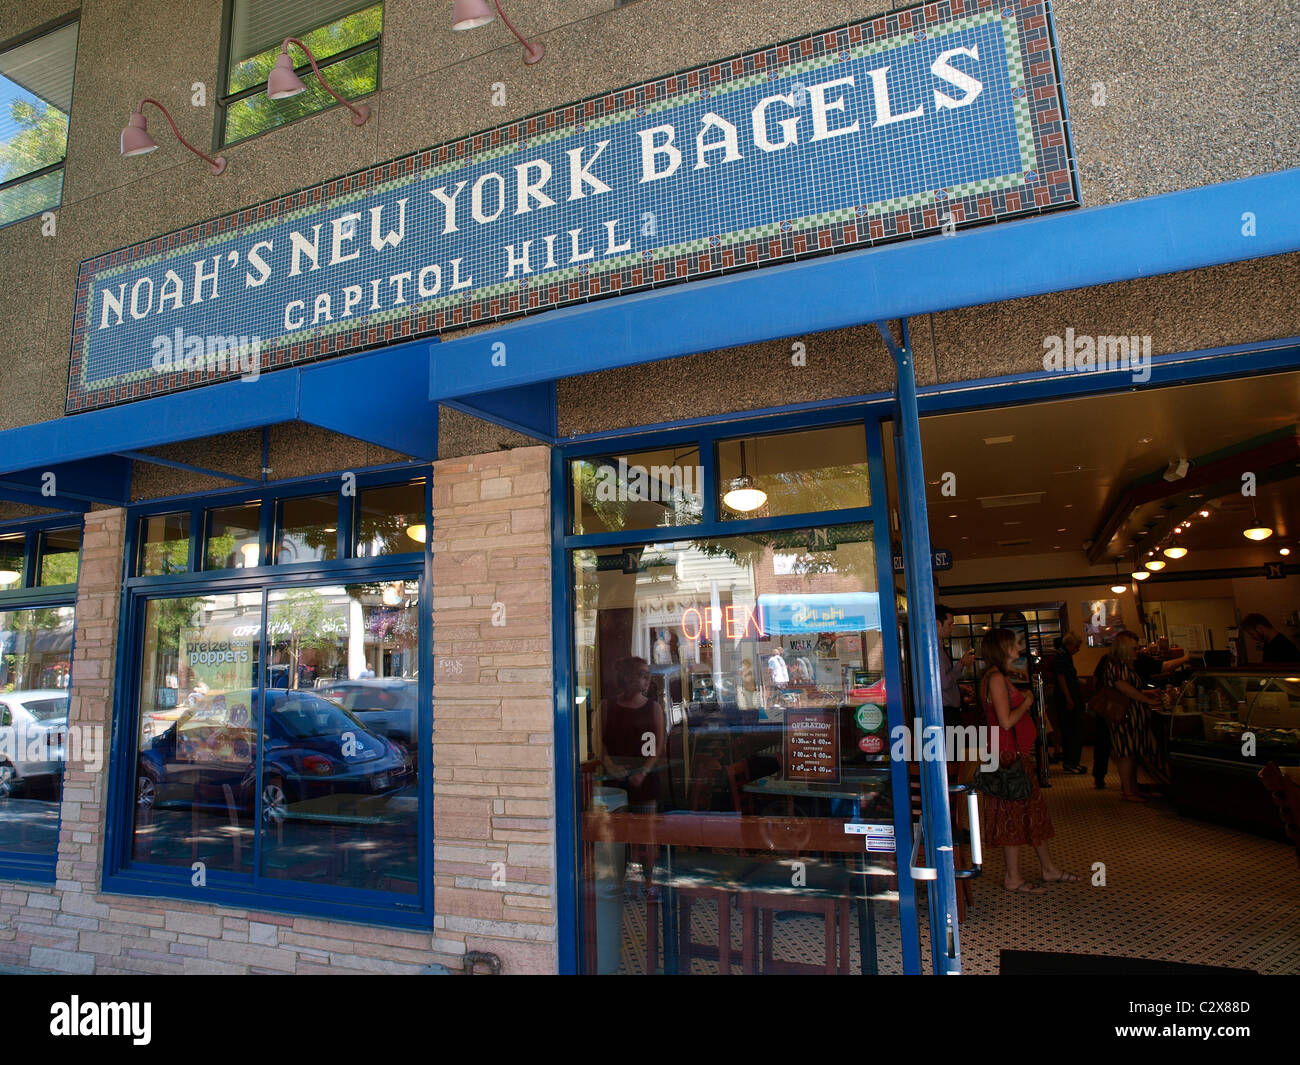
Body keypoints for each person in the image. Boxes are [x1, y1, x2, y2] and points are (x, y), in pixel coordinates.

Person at [979, 628, 1077, 892]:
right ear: (1002, 649)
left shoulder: (998, 676)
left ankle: (1048, 868)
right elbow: (1006, 720)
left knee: (1032, 812)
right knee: (1013, 815)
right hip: (1007, 756)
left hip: (1013, 753)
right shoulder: (996, 678)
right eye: (1013, 645)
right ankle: (1014, 876)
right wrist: (1028, 702)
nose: (1018, 648)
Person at [1092, 630, 1162, 803]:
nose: (1136, 651)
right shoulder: (1116, 664)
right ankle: (1129, 792)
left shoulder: (1121, 664)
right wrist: (1147, 699)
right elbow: (1123, 688)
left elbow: (1126, 689)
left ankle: (1133, 789)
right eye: (1133, 648)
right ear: (1124, 648)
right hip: (1125, 717)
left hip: (1130, 715)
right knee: (1126, 753)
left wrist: (1147, 693)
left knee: (1131, 753)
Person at [598, 656, 667, 809]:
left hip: (645, 783)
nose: (647, 679)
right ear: (627, 677)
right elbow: (598, 743)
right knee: (616, 829)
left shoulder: (654, 708)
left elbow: (659, 745)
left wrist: (643, 772)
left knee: (645, 829)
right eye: (642, 675)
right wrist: (611, 767)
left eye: (649, 675)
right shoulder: (606, 707)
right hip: (614, 784)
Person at [1050, 632, 1086, 774]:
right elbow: (1061, 677)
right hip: (1067, 698)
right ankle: (1071, 762)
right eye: (1076, 647)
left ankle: (1071, 762)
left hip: (1067, 697)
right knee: (1072, 731)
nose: (1077, 650)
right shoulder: (1062, 656)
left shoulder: (1063, 655)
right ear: (1070, 644)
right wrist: (1068, 697)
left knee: (1071, 730)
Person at [937, 605, 976, 732]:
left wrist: (958, 688)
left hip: (948, 711)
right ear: (938, 624)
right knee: (952, 750)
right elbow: (944, 683)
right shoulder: (935, 650)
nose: (953, 627)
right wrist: (962, 664)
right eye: (950, 624)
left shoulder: (939, 648)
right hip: (946, 712)